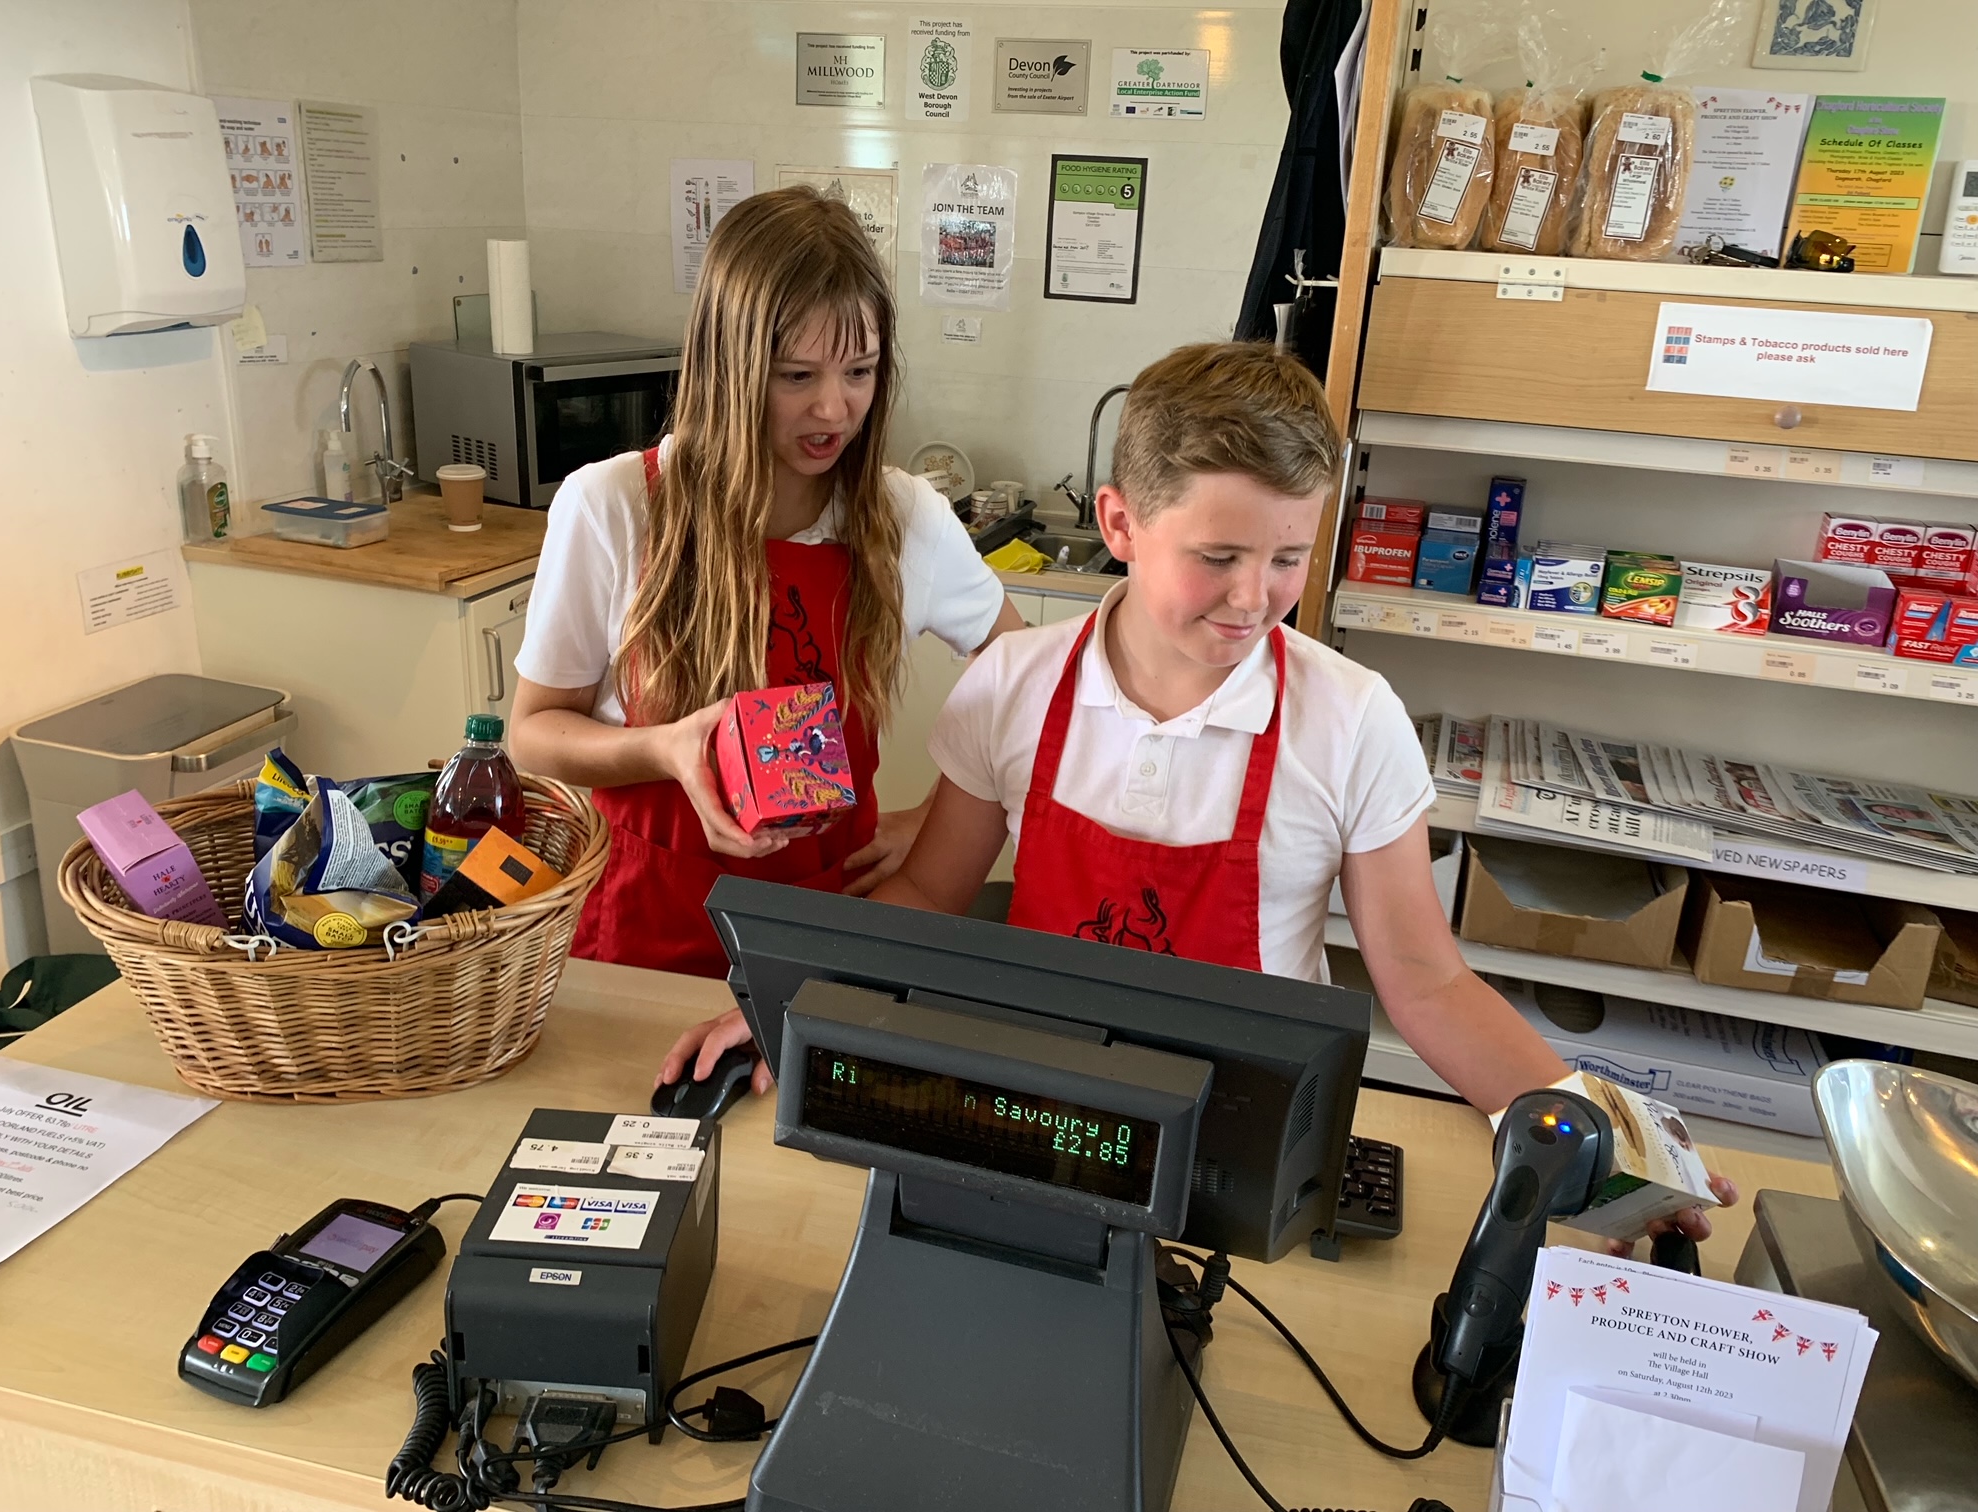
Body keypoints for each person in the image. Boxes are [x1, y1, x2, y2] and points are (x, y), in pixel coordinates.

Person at [660, 340, 1735, 1243]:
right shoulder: (1012, 690)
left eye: (1286, 558)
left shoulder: (1348, 720)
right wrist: (780, 1004)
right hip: (1038, 1125)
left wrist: (1600, 1136)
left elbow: (1428, 983)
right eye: (1217, 555)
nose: (1254, 598)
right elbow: (930, 901)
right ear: (1121, 525)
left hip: (1246, 1160)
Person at [510, 186, 1024, 978]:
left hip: (824, 941)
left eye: (860, 371)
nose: (835, 408)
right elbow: (535, 731)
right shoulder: (614, 505)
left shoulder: (902, 516)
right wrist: (666, 750)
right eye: (795, 375)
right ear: (729, 365)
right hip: (641, 942)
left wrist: (932, 823)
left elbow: (1032, 683)